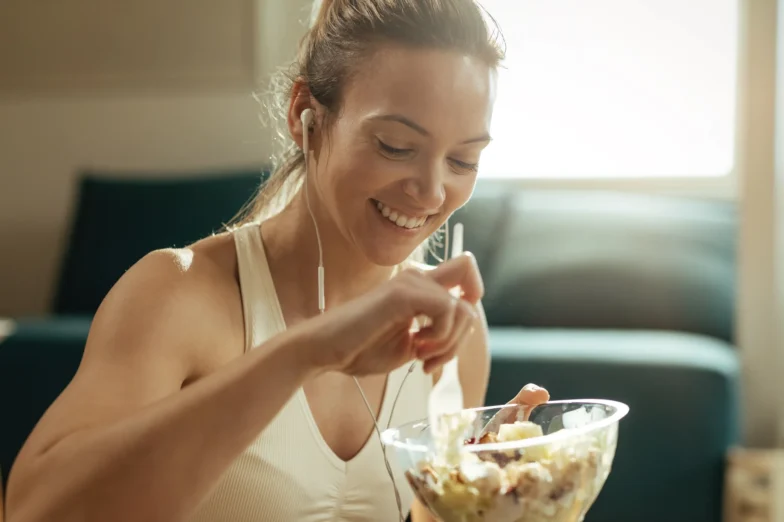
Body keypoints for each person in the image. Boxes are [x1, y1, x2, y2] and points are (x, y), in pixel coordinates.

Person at [4, 0, 550, 521]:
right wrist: (305, 352)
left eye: (463, 159)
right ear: (304, 114)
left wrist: (485, 499)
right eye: (394, 145)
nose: (432, 192)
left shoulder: (455, 331)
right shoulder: (178, 296)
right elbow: (34, 512)